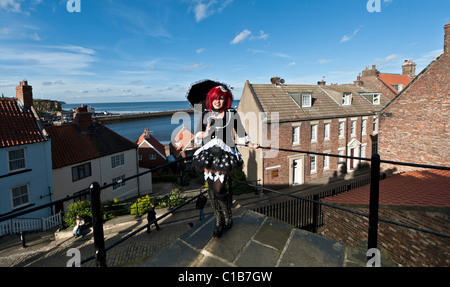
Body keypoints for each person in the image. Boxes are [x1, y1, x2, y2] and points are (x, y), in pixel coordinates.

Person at [192, 85, 259, 238]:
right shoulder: (205, 114)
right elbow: (197, 136)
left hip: (225, 153)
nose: (218, 100)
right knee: (210, 189)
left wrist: (251, 144)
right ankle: (218, 220)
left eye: (221, 98)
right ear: (211, 99)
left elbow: (241, 132)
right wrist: (206, 133)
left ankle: (227, 215)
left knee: (219, 189)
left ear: (226, 99)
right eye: (215, 97)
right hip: (208, 154)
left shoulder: (231, 113)